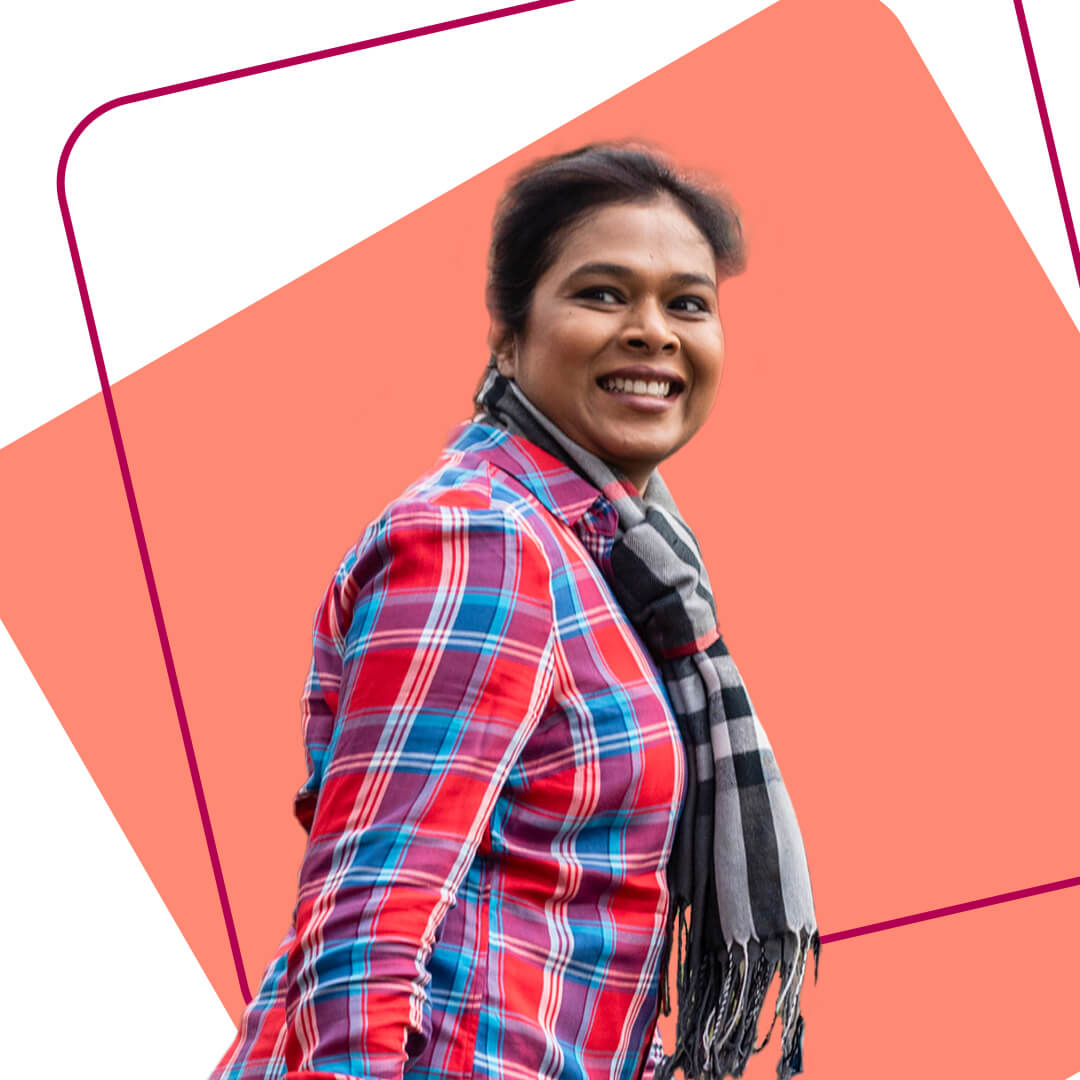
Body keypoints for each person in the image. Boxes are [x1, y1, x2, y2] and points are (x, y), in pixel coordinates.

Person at [209, 144, 817, 1080]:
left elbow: (555, 915)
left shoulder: (624, 567)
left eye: (686, 303)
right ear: (508, 336)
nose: (653, 332)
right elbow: (370, 909)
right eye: (603, 294)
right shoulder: (486, 542)